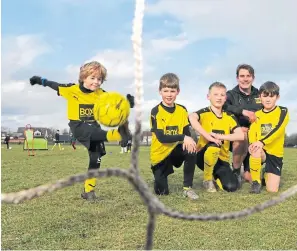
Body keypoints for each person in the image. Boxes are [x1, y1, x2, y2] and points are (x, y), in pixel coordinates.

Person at [29, 61, 134, 200]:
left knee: (96, 159)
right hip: (79, 126)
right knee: (95, 134)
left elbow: (115, 104)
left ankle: (88, 192)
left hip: (95, 127)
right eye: (93, 78)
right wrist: (40, 80)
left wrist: (127, 103)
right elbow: (53, 84)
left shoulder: (102, 94)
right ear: (83, 77)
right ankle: (119, 135)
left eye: (100, 79)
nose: (96, 82)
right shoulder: (71, 89)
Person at [150, 73, 199, 200]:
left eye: (172, 91)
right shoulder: (156, 111)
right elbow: (161, 137)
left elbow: (186, 133)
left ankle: (187, 188)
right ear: (160, 91)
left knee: (191, 148)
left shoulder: (182, 110)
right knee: (162, 192)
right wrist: (183, 137)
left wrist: (189, 139)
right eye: (165, 91)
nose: (169, 94)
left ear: (178, 91)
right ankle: (158, 174)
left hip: (175, 151)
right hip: (161, 155)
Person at [189, 82, 244, 193]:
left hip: (221, 159)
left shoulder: (229, 116)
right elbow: (191, 117)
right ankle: (207, 180)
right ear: (208, 96)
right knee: (213, 145)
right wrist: (208, 136)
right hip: (202, 155)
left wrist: (220, 136)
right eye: (215, 94)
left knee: (231, 187)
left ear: (225, 98)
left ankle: (216, 176)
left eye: (222, 95)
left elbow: (240, 135)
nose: (219, 97)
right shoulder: (204, 113)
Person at [223, 64, 262, 185]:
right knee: (242, 135)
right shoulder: (230, 94)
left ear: (253, 78)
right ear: (237, 78)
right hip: (236, 136)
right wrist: (242, 111)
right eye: (242, 76)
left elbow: (268, 109)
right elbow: (223, 106)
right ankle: (235, 170)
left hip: (256, 136)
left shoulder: (259, 94)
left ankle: (249, 170)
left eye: (248, 76)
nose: (245, 79)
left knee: (252, 178)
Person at [248, 81, 289, 193]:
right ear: (260, 97)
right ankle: (256, 182)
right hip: (262, 151)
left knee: (272, 190)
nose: (268, 99)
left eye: (272, 96)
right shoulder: (256, 114)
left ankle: (265, 173)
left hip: (275, 153)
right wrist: (252, 143)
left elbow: (278, 130)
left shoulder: (283, 111)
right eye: (264, 96)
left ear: (277, 97)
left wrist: (262, 141)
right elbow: (252, 131)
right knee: (256, 149)